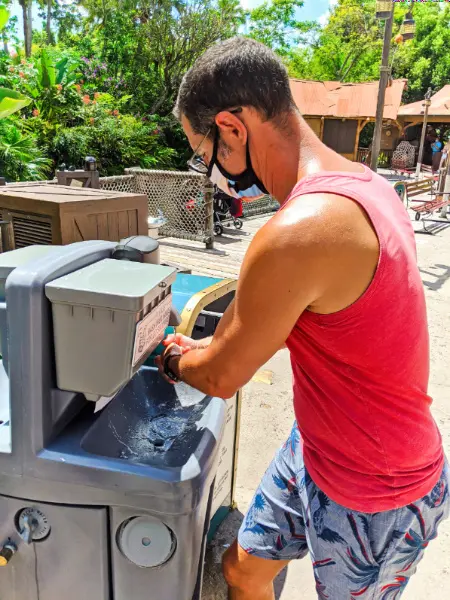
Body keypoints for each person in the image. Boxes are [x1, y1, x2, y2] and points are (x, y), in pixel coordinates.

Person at [156, 37, 449, 600]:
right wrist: (208, 349)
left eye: (205, 152)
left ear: (232, 128)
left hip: (378, 486)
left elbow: (220, 378)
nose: (211, 171)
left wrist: (171, 357)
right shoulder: (366, 183)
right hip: (317, 445)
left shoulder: (299, 232)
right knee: (244, 571)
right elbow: (273, 318)